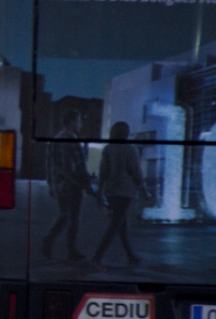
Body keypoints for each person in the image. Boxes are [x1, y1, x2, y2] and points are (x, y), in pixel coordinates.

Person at [92, 122, 148, 267]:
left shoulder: (108, 149)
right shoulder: (131, 149)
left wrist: (99, 193)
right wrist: (144, 190)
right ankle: (97, 256)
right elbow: (136, 171)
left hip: (110, 192)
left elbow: (103, 172)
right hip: (126, 193)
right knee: (115, 225)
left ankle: (130, 256)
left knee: (121, 225)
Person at [42, 109, 93, 262]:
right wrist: (88, 184)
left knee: (65, 215)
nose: (80, 124)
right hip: (72, 186)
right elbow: (80, 167)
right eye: (79, 121)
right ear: (71, 122)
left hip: (59, 186)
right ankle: (71, 250)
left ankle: (50, 239)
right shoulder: (73, 140)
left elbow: (49, 165)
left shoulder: (55, 139)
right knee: (73, 219)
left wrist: (52, 185)